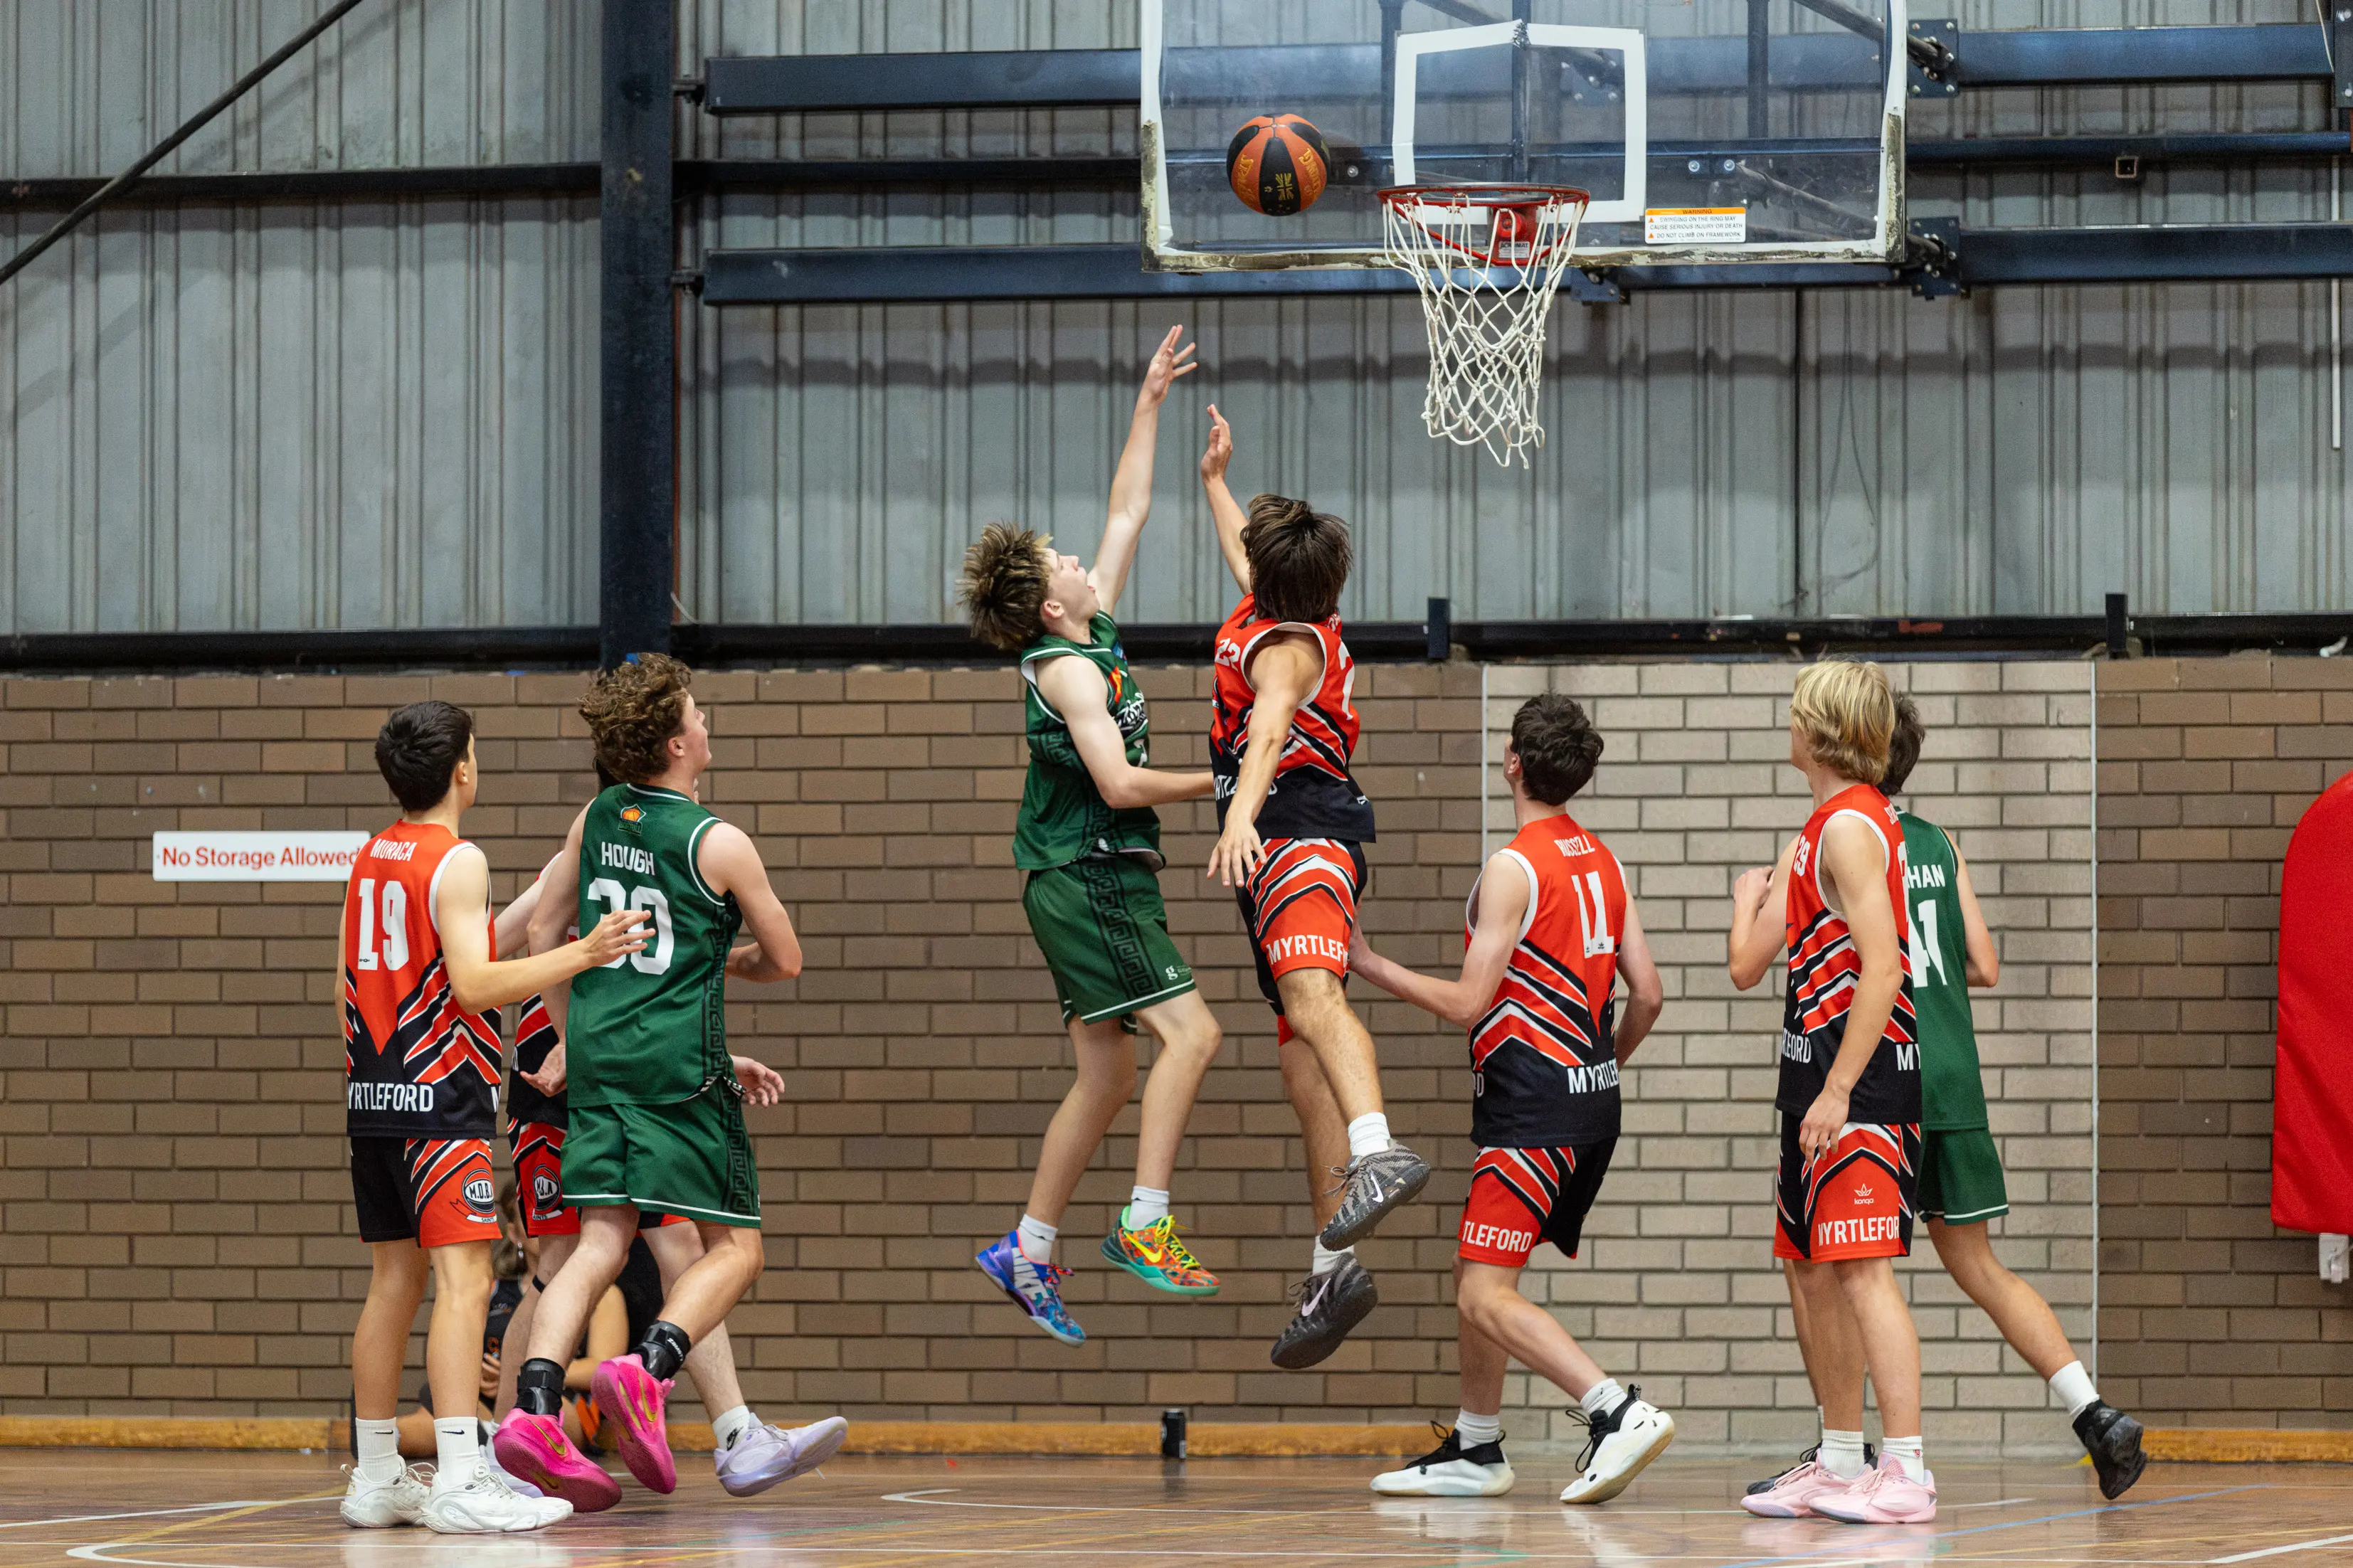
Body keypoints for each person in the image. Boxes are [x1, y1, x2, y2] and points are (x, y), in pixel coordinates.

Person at [1744, 695, 2146, 1502]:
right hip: (1950, 1071)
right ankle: (2091, 1411)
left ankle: (1869, 1453)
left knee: (1839, 1266)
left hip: (1880, 1066)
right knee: (1972, 1265)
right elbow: (1985, 963)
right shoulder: (1932, 840)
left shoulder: (1834, 836)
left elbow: (1829, 958)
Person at [492, 655, 847, 1513]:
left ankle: (536, 1406)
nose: (708, 722)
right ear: (679, 740)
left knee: (602, 1241)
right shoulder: (719, 841)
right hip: (678, 1074)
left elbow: (544, 926)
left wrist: (577, 1031)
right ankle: (647, 1368)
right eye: (700, 712)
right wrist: (717, 957)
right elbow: (787, 959)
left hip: (601, 1062)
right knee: (737, 1250)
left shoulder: (598, 813)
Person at [958, 325, 1228, 1345]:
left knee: (1110, 1074)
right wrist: (1228, 778)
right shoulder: (1065, 668)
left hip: (1089, 874)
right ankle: (1144, 1221)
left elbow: (1126, 508)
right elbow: (1116, 785)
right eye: (1055, 561)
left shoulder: (1093, 625)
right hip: (1088, 872)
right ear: (1042, 602)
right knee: (1193, 1035)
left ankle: (1026, 1249)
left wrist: (1148, 402)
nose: (1076, 556)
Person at [1355, 695, 1675, 1504]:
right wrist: (1598, 1067)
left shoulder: (1515, 864)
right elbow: (1649, 995)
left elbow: (1469, 1002)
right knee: (1481, 1270)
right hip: (1587, 1104)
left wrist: (1367, 962)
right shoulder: (1604, 860)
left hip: (1532, 1107)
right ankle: (1476, 1443)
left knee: (1479, 1292)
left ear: (1513, 763)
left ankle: (1615, 1408)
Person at [339, 699, 647, 1535]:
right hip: (441, 1104)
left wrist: (548, 887)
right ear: (464, 769)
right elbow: (475, 985)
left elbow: (457, 950)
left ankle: (376, 1476)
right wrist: (585, 949)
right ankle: (462, 1477)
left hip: (374, 1097)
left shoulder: (376, 854)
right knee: (466, 1283)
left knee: (393, 1283)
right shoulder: (457, 854)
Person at [1198, 406, 1429, 1369]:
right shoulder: (1278, 604)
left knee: (1311, 994)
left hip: (1300, 828)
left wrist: (1242, 814)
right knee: (1300, 1071)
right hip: (1293, 839)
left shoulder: (1286, 652)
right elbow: (1245, 561)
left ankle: (1379, 1148)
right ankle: (1328, 1260)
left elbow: (1266, 730)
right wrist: (1214, 479)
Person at [499, 941, 827, 1498]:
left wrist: (715, 1065)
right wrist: (565, 1034)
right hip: (577, 1069)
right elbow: (519, 936)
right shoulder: (588, 858)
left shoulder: (629, 861)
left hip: (637, 1070)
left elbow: (652, 974)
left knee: (681, 1248)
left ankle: (735, 1434)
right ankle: (514, 1440)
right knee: (565, 1257)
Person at [1728, 659, 1935, 1526]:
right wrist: (1747, 899)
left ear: (1819, 732)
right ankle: (1840, 1455)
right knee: (1810, 1270)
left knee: (1861, 1271)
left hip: (1862, 1082)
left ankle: (1909, 1469)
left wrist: (1841, 1088)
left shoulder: (1852, 826)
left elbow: (1885, 968)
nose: (1786, 723)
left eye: (1794, 714)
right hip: (1808, 1076)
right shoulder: (1812, 830)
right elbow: (1745, 965)